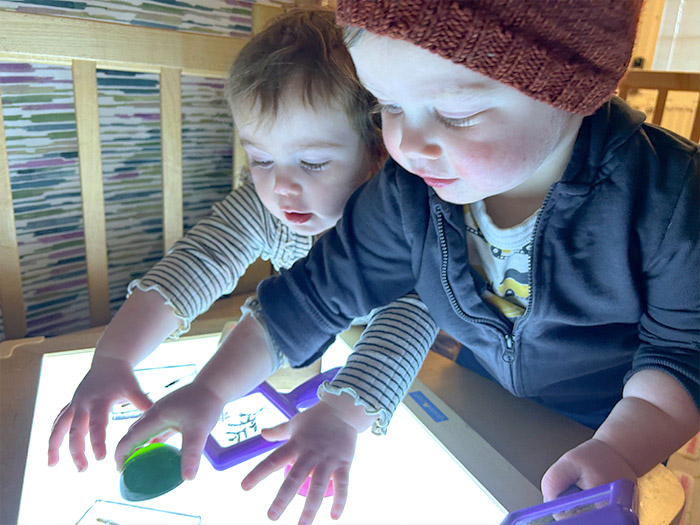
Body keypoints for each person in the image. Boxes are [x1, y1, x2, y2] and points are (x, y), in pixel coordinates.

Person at [117, 0, 700, 523]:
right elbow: (311, 297)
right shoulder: (407, 192)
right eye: (388, 105)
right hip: (482, 393)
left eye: (457, 114)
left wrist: (621, 447)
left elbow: (682, 352)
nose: (408, 145)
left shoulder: (672, 200)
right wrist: (210, 391)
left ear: (572, 87)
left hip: (615, 418)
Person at [48, 6, 438, 520]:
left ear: (377, 154)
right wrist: (114, 358)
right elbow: (197, 262)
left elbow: (413, 315)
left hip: (435, 355)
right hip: (316, 341)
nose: (282, 185)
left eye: (313, 162)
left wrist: (343, 415)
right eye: (261, 159)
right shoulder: (267, 206)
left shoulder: (404, 222)